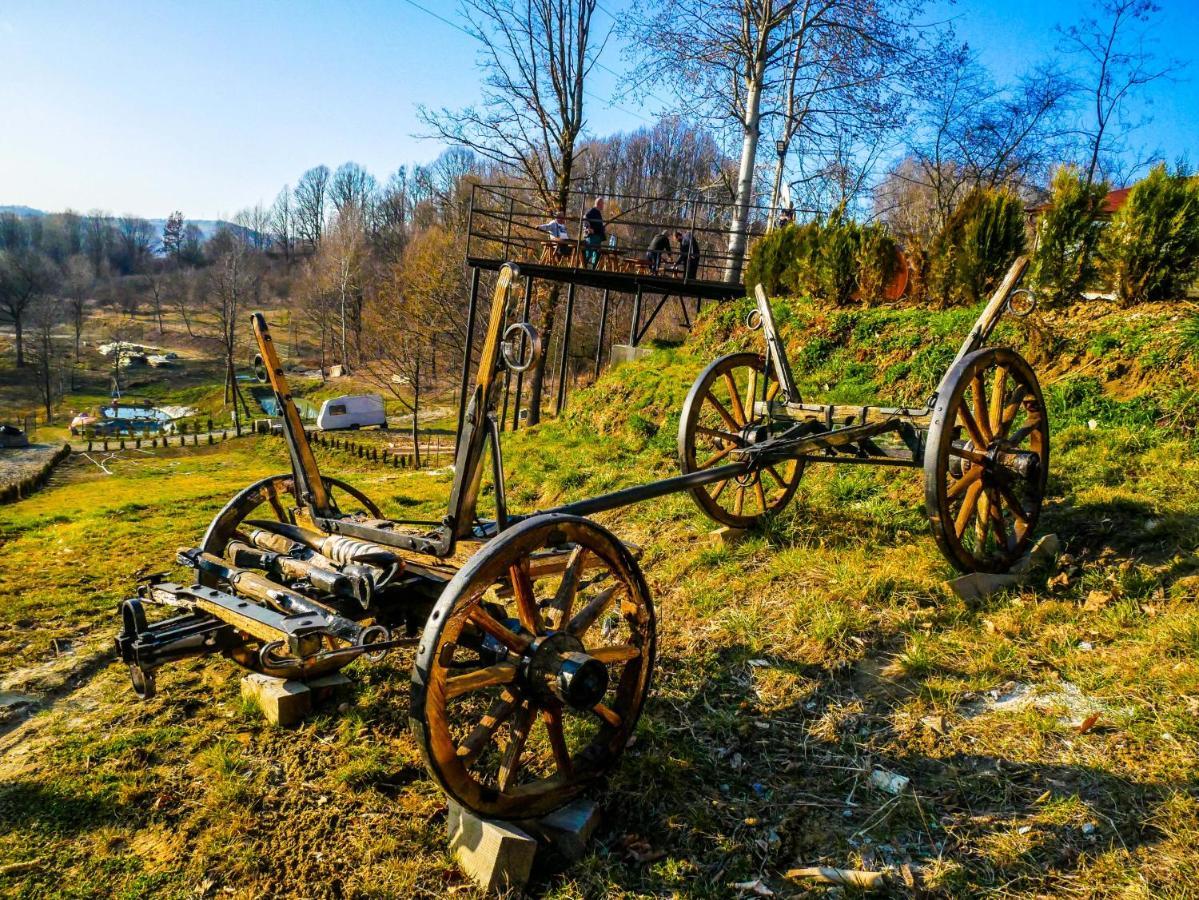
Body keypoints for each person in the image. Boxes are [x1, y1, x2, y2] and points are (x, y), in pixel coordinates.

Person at [582, 197, 605, 268]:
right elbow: (585, 218)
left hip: (598, 237)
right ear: (599, 204)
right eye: (602, 204)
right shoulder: (592, 211)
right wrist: (588, 228)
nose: (603, 205)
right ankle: (583, 268)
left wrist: (602, 228)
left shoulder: (598, 212)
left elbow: (597, 224)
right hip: (592, 237)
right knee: (589, 253)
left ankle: (592, 269)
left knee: (597, 253)